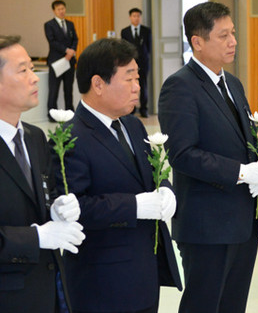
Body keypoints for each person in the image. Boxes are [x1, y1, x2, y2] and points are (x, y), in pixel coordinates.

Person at [158, 1, 258, 313]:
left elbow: (251, 135)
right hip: (207, 223)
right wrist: (242, 172)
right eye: (223, 36)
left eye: (233, 33)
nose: (233, 41)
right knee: (204, 304)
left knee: (233, 304)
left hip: (243, 221)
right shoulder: (180, 87)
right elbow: (183, 154)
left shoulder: (233, 84)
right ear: (197, 42)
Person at [54, 38, 181, 313]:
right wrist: (135, 206)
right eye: (129, 79)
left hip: (145, 271)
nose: (138, 87)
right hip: (103, 280)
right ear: (98, 84)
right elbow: (76, 208)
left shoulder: (133, 125)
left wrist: (166, 188)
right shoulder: (71, 137)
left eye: (138, 78)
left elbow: (150, 174)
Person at [0, 35, 84, 312]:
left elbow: (44, 194)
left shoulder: (35, 137)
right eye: (23, 70)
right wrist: (36, 237)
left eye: (31, 70)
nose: (35, 78)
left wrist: (57, 207)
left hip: (47, 288)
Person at [44, 0, 78, 120]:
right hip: (56, 62)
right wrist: (66, 51)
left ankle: (70, 112)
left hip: (69, 61)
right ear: (54, 11)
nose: (61, 11)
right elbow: (52, 41)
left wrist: (72, 51)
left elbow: (75, 39)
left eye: (63, 8)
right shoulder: (49, 25)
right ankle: (52, 114)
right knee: (54, 90)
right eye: (59, 9)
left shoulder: (70, 24)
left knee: (68, 89)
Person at [121, 7, 152, 117]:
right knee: (129, 85)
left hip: (143, 62)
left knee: (143, 85)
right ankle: (131, 109)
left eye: (138, 16)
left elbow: (149, 48)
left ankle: (144, 109)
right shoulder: (125, 32)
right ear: (130, 17)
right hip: (130, 63)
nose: (136, 18)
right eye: (134, 16)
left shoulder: (146, 31)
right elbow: (124, 48)